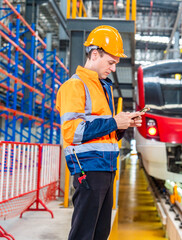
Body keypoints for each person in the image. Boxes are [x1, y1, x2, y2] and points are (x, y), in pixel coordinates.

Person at [56, 25, 144, 240]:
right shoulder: (74, 87)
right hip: (89, 170)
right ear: (95, 54)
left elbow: (106, 136)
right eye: (111, 62)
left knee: (99, 234)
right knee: (84, 234)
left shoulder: (102, 87)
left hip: (105, 169)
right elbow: (73, 132)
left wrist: (123, 124)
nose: (113, 69)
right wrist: (114, 121)